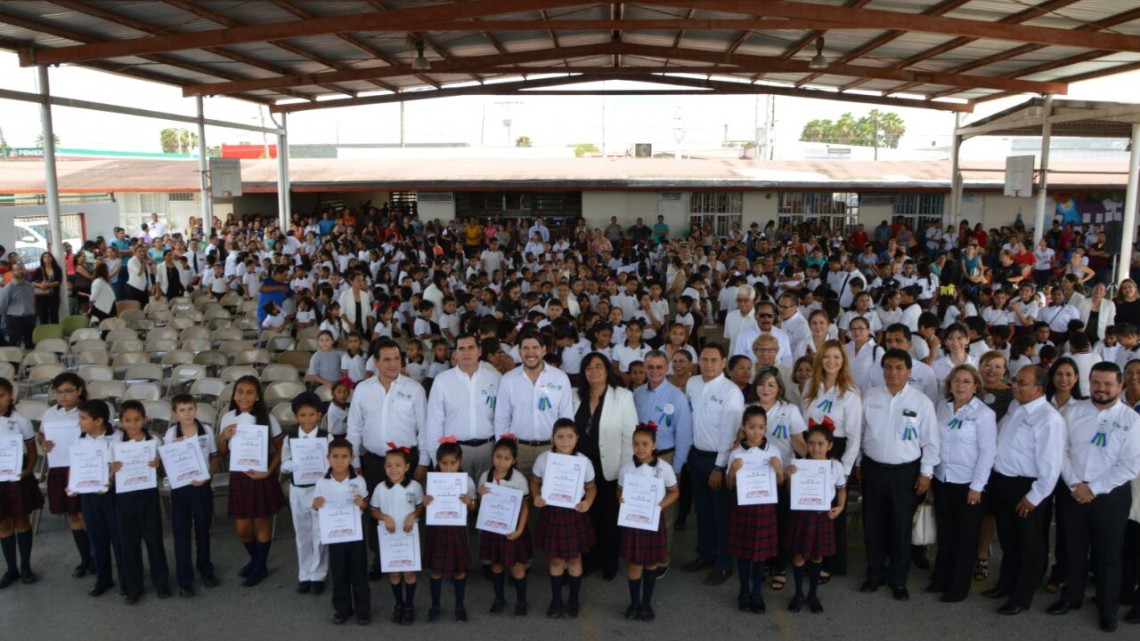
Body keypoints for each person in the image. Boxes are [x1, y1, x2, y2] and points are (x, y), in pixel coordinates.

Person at [1053, 362, 1140, 632]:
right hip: (1073, 492)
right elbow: (1060, 451)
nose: (1101, 389)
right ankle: (1071, 597)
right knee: (1073, 549)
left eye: (1108, 384)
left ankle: (1107, 608)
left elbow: (1131, 464)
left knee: (1109, 555)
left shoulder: (1132, 420)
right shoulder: (1072, 412)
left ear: (1120, 386)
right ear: (1089, 383)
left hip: (1110, 497)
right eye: (1096, 383)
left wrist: (1093, 488)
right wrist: (1075, 484)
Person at [983, 364, 1065, 616]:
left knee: (1030, 545)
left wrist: (1034, 498)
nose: (1015, 385)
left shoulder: (1049, 419)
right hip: (1003, 482)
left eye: (1022, 382)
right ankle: (1006, 585)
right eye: (1016, 380)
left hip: (1027, 487)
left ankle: (1022, 596)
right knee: (1009, 540)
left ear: (1039, 388)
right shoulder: (1015, 406)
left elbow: (1051, 466)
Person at [858, 348, 940, 601]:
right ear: (882, 370)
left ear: (909, 371)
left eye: (899, 368)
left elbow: (931, 443)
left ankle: (898, 579)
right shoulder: (869, 396)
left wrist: (926, 473)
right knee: (873, 525)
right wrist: (860, 463)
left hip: (906, 473)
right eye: (889, 367)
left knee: (900, 527)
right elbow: (860, 433)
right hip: (873, 469)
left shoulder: (921, 402)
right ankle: (874, 574)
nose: (893, 372)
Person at [346, 339, 427, 575]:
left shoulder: (414, 389)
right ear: (375, 362)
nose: (393, 364)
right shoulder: (363, 389)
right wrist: (356, 462)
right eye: (387, 359)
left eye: (396, 359)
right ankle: (379, 557)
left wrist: (423, 461)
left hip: (407, 461)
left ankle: (408, 556)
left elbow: (424, 428)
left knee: (409, 508)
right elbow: (354, 428)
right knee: (377, 509)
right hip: (373, 461)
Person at [931, 365, 996, 603]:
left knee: (965, 537)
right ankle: (940, 579)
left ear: (976, 386)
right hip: (942, 478)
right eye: (956, 380)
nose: (960, 385)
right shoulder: (942, 407)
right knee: (945, 533)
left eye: (966, 381)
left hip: (968, 484)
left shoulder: (984, 414)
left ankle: (958, 587)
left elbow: (988, 453)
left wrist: (977, 487)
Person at [682, 344, 746, 586]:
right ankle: (705, 555)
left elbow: (729, 435)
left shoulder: (731, 392)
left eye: (713, 360)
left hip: (717, 461)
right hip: (696, 456)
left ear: (723, 363)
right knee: (703, 511)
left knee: (721, 515)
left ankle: (723, 563)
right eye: (704, 359)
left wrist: (719, 468)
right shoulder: (693, 383)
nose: (708, 364)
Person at [216, 376, 287, 588]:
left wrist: (268, 472)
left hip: (261, 475)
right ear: (234, 394)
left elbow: (281, 449)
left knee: (262, 522)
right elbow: (222, 452)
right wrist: (222, 438)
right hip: (239, 475)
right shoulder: (228, 417)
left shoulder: (268, 419)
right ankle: (257, 560)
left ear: (257, 397)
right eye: (240, 391)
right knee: (242, 528)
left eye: (249, 392)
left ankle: (259, 565)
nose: (244, 396)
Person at [800, 340, 862, 578]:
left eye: (836, 357)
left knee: (831, 509)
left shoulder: (851, 392)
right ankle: (808, 556)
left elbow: (855, 435)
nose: (831, 362)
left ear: (843, 361)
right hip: (812, 450)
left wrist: (844, 470)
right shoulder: (810, 386)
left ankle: (830, 563)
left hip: (836, 451)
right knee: (810, 507)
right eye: (827, 357)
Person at [572, 351, 636, 581]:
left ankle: (609, 562)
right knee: (586, 516)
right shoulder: (573, 396)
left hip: (611, 469)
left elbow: (630, 438)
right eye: (588, 367)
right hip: (580, 470)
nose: (594, 371)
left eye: (599, 366)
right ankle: (590, 560)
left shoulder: (623, 396)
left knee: (610, 518)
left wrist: (625, 475)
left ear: (608, 370)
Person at [633, 350, 693, 574]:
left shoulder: (677, 397)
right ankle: (641, 552)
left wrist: (677, 468)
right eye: (650, 367)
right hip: (639, 458)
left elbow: (684, 436)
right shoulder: (637, 394)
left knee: (665, 511)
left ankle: (661, 558)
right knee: (641, 505)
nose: (655, 371)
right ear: (645, 368)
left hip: (666, 457)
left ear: (666, 368)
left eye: (659, 367)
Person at [531, 418, 597, 619]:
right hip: (552, 514)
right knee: (557, 559)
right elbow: (535, 481)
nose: (565, 441)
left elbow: (591, 487)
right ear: (552, 438)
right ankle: (556, 600)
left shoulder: (584, 462)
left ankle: (574, 600)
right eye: (560, 437)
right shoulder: (543, 459)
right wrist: (536, 496)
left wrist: (588, 503)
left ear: (577, 438)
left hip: (574, 514)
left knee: (574, 558)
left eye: (570, 436)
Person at [616, 422, 678, 622]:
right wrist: (620, 498)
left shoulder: (664, 468)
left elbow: (675, 491)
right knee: (634, 565)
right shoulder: (626, 468)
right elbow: (619, 490)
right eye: (636, 444)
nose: (640, 448)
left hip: (652, 521)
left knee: (651, 564)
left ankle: (646, 603)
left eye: (645, 443)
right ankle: (634, 602)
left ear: (654, 445)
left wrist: (661, 505)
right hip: (633, 522)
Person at [725, 405, 784, 613]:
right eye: (751, 427)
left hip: (764, 509)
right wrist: (732, 471)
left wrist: (778, 470)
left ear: (766, 427)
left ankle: (757, 592)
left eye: (761, 427)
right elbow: (730, 486)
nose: (756, 432)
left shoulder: (774, 451)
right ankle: (744, 592)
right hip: (743, 508)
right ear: (743, 427)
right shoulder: (736, 453)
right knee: (743, 554)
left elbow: (780, 483)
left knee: (760, 555)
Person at [784, 426, 847, 614]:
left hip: (823, 516)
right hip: (802, 515)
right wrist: (789, 477)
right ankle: (798, 594)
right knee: (799, 555)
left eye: (820, 444)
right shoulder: (800, 464)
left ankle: (813, 595)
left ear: (830, 445)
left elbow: (842, 488)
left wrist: (841, 506)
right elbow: (790, 493)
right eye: (811, 443)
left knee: (817, 555)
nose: (815, 448)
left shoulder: (836, 466)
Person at [493, 330, 574, 476]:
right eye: (525, 348)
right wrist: (504, 452)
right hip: (519, 449)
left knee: (548, 496)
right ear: (519, 351)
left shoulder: (560, 378)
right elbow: (501, 420)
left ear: (544, 350)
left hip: (551, 448)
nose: (530, 353)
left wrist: (565, 449)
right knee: (521, 495)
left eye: (535, 347)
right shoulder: (508, 380)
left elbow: (566, 417)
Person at [112, 401, 171, 603]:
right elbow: (108, 475)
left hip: (148, 495)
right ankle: (133, 587)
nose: (133, 424)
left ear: (145, 419)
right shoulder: (115, 444)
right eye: (127, 420)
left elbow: (164, 471)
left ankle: (161, 583)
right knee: (129, 544)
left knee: (154, 541)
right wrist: (112, 470)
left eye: (137, 419)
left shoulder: (154, 440)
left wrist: (158, 465)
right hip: (124, 497)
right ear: (121, 422)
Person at [38, 373, 94, 580]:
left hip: (84, 467)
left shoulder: (89, 410)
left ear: (79, 390)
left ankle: (97, 557)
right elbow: (42, 434)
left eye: (68, 391)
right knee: (72, 514)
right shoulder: (51, 413)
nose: (62, 396)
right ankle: (85, 558)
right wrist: (44, 443)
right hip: (60, 468)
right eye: (59, 392)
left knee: (86, 514)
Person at [424, 333, 501, 484]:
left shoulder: (494, 378)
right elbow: (434, 422)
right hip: (454, 453)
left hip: (488, 449)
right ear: (455, 353)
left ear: (479, 351)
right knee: (459, 501)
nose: (466, 353)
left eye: (471, 348)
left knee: (486, 498)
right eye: (462, 348)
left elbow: (502, 416)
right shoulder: (442, 381)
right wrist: (437, 458)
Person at [163, 394, 219, 596]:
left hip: (201, 486)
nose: (187, 414)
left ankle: (205, 570)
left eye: (190, 409)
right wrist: (175, 448)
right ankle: (184, 579)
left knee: (203, 529)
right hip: (180, 488)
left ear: (196, 409)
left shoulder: (207, 430)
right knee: (181, 532)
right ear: (174, 413)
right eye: (182, 410)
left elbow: (214, 457)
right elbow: (167, 462)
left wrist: (208, 477)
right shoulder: (171, 434)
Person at [312, 438, 371, 626]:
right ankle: (342, 609)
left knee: (359, 573)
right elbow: (316, 504)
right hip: (335, 536)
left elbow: (366, 505)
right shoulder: (322, 481)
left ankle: (363, 610)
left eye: (344, 457)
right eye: (335, 456)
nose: (339, 461)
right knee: (339, 574)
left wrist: (362, 503)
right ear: (328, 458)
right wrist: (316, 504)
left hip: (355, 535)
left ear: (352, 458)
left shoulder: (358, 480)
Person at [71, 399, 125, 598]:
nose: (80, 423)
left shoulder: (117, 438)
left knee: (118, 537)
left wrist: (112, 479)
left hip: (112, 495)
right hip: (89, 496)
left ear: (99, 421)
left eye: (83, 418)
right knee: (96, 538)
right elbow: (76, 466)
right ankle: (103, 578)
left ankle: (126, 578)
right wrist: (74, 484)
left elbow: (122, 465)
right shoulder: (80, 440)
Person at [281, 392, 332, 595]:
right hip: (299, 490)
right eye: (303, 415)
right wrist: (291, 465)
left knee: (319, 533)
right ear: (296, 417)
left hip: (319, 490)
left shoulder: (325, 437)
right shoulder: (290, 438)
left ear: (319, 415)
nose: (308, 419)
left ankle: (318, 574)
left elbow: (332, 461)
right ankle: (304, 574)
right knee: (302, 533)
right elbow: (284, 462)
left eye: (312, 414)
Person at [368, 444, 423, 626]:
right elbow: (373, 511)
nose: (393, 469)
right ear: (384, 468)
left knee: (408, 573)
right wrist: (384, 517)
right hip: (389, 537)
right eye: (389, 465)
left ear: (407, 467)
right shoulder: (380, 488)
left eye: (398, 465)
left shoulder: (415, 487)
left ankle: (409, 605)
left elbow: (420, 508)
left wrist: (413, 515)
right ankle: (398, 604)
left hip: (408, 537)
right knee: (394, 574)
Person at [423, 440, 476, 623]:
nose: (448, 468)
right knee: (436, 571)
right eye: (444, 463)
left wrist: (470, 502)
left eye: (452, 463)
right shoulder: (432, 480)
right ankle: (435, 605)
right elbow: (425, 506)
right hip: (437, 530)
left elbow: (473, 508)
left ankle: (459, 605)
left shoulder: (466, 481)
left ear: (459, 462)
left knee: (460, 570)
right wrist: (425, 502)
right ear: (438, 463)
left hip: (457, 530)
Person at [479, 435, 532, 616]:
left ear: (514, 460)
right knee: (496, 565)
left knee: (517, 566)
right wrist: (480, 495)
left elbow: (525, 507)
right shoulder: (485, 476)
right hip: (492, 529)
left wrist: (520, 530)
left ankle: (522, 601)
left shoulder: (518, 479)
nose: (501, 462)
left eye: (507, 458)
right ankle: (499, 598)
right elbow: (481, 505)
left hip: (512, 529)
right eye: (498, 457)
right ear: (492, 456)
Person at [0, 377, 42, 587]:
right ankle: (11, 569)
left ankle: (25, 566)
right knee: (3, 524)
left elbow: (32, 451)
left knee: (21, 521)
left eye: (1, 396)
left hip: (17, 477)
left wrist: (27, 471)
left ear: (10, 396)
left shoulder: (20, 420)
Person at [0, 263, 37, 349]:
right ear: (13, 272)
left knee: (30, 343)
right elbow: (2, 305)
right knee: (14, 344)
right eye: (16, 269)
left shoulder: (29, 286)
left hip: (30, 318)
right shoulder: (9, 287)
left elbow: (32, 301)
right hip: (15, 319)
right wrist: (5, 319)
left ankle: (29, 362)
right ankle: (14, 362)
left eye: (21, 269)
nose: (20, 271)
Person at [32, 251, 62, 325]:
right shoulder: (38, 270)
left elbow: (59, 281)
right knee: (43, 315)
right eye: (45, 257)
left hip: (54, 295)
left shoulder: (57, 269)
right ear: (42, 259)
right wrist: (40, 285)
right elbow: (32, 282)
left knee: (54, 315)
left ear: (52, 258)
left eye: (49, 256)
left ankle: (55, 332)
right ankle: (44, 332)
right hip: (42, 296)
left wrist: (49, 285)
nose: (47, 258)